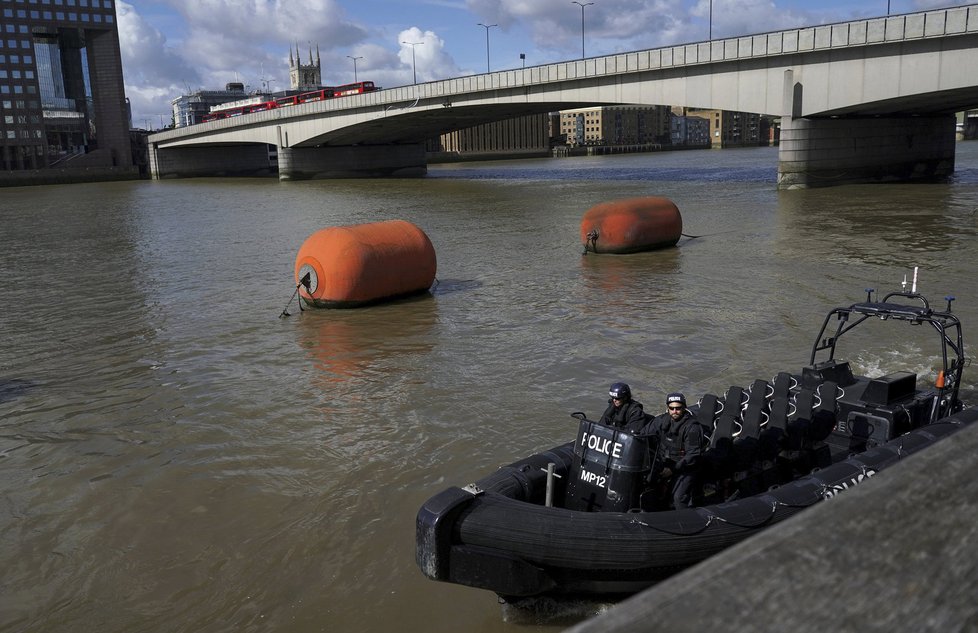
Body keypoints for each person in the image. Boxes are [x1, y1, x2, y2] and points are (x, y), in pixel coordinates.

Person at [642, 392, 706, 509]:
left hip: (684, 467)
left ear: (684, 408)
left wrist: (673, 469)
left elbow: (693, 454)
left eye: (678, 408)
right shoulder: (661, 421)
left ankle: (684, 519)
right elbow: (643, 435)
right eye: (672, 408)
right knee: (645, 483)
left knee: (678, 497)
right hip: (663, 462)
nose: (675, 411)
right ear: (668, 408)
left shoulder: (692, 427)